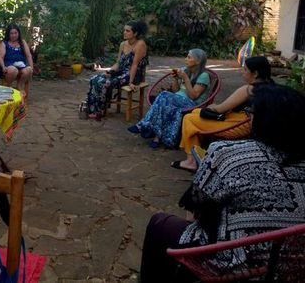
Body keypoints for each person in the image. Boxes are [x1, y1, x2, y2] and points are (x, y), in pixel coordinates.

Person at [140, 85, 305, 283]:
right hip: (293, 267)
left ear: (263, 119)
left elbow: (196, 207)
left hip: (236, 264)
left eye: (250, 112)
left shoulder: (228, 153)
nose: (248, 117)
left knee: (160, 224)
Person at [172, 56, 273, 172]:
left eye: (245, 70)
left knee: (189, 118)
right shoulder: (270, 87)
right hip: (245, 121)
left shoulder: (248, 90)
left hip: (237, 126)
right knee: (195, 112)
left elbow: (220, 109)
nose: (242, 72)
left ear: (255, 73)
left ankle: (191, 161)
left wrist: (212, 106)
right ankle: (198, 151)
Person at [128, 49, 209, 149]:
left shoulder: (203, 76)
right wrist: (176, 78)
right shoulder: (187, 71)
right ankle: (157, 138)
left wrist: (185, 78)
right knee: (165, 103)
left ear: (198, 61)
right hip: (177, 100)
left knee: (164, 95)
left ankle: (142, 125)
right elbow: (176, 91)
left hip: (191, 104)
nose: (185, 59)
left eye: (189, 57)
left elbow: (193, 96)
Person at [86, 20, 149, 118]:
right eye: (124, 30)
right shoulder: (123, 44)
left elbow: (134, 65)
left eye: (127, 31)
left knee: (105, 83)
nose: (124, 32)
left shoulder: (140, 44)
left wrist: (131, 82)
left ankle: (100, 110)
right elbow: (118, 63)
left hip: (134, 74)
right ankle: (93, 108)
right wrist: (110, 71)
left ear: (135, 33)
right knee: (95, 79)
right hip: (121, 71)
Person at [0, 24, 33, 96]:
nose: (14, 35)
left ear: (18, 33)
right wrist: (3, 67)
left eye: (15, 33)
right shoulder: (4, 43)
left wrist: (32, 67)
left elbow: (28, 55)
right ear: (8, 34)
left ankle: (20, 85)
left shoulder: (22, 42)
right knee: (13, 70)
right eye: (11, 33)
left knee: (29, 69)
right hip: (8, 65)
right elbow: (0, 57)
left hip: (22, 65)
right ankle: (8, 86)